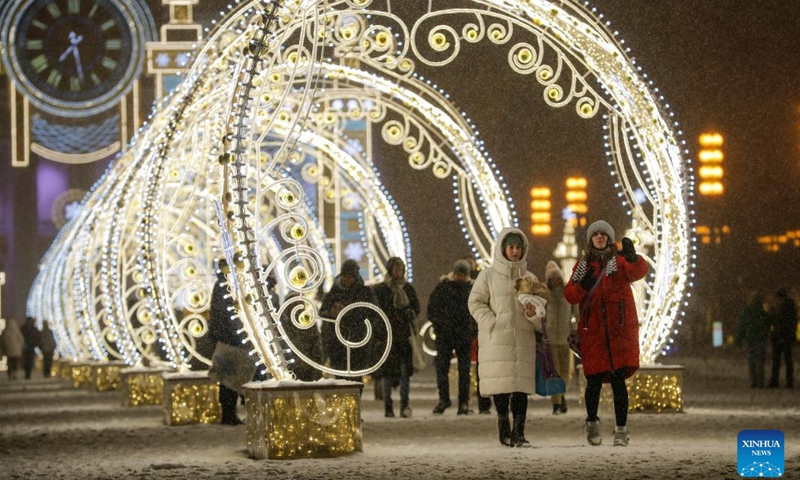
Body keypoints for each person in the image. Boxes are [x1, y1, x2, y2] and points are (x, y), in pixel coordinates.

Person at [564, 220, 648, 447]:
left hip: (619, 331)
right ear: (590, 239)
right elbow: (570, 294)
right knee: (593, 381)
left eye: (603, 234)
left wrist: (633, 258)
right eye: (596, 234)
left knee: (619, 381)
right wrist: (583, 286)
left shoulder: (618, 262)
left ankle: (621, 430)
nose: (599, 237)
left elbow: (637, 272)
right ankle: (592, 423)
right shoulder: (583, 264)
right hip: (594, 333)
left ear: (609, 238)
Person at [468, 228, 542, 447]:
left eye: (519, 247)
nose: (515, 251)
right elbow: (475, 302)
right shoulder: (488, 275)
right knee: (501, 387)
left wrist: (533, 314)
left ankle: (519, 432)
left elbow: (540, 312)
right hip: (496, 340)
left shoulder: (529, 278)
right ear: (503, 248)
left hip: (522, 340)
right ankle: (504, 429)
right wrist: (491, 322)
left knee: (520, 389)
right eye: (511, 247)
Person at [428, 259, 477, 415]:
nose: (460, 277)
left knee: (464, 371)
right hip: (446, 336)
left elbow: (478, 312)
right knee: (442, 369)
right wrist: (440, 326)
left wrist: (472, 330)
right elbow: (432, 310)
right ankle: (444, 399)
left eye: (462, 274)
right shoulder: (443, 288)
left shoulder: (471, 289)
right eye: (458, 274)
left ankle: (463, 402)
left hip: (463, 335)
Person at [373, 257, 420, 418]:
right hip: (387, 336)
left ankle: (405, 404)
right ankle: (388, 406)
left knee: (405, 372)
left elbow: (416, 308)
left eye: (401, 270)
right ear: (390, 270)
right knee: (387, 373)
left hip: (404, 336)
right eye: (396, 269)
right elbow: (377, 311)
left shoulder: (408, 289)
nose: (399, 273)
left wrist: (409, 314)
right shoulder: (381, 289)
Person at [320, 259, 378, 380]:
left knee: (356, 379)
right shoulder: (333, 293)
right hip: (337, 343)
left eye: (350, 276)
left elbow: (373, 312)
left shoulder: (365, 293)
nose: (347, 279)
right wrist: (331, 313)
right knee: (341, 379)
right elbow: (322, 312)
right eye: (345, 276)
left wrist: (349, 313)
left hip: (358, 341)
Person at [208, 263, 250, 426]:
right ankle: (230, 414)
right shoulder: (227, 286)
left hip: (228, 339)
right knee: (232, 379)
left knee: (229, 379)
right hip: (232, 340)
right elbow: (224, 314)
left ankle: (230, 413)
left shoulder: (224, 285)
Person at [544, 260, 577, 415]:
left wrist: (576, 330)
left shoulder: (568, 293)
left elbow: (575, 313)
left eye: (557, 278)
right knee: (554, 372)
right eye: (552, 278)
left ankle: (561, 395)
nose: (555, 281)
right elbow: (539, 315)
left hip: (565, 337)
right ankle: (556, 402)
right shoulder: (544, 294)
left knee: (565, 371)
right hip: (550, 339)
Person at [463, 255, 492, 414]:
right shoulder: (478, 284)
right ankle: (478, 402)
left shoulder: (479, 285)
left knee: (482, 368)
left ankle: (483, 402)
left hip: (477, 331)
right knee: (476, 368)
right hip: (471, 331)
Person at [734, 291, 771, 389]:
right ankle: (760, 381)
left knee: (752, 361)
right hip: (760, 338)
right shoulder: (762, 312)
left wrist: (738, 340)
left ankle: (754, 381)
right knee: (760, 360)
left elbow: (741, 326)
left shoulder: (747, 312)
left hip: (750, 338)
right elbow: (769, 323)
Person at [768, 288, 798, 389]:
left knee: (777, 360)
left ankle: (775, 381)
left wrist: (773, 315)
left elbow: (778, 322)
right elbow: (792, 322)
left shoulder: (782, 308)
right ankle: (789, 382)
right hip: (786, 337)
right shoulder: (791, 308)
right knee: (787, 360)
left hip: (780, 336)